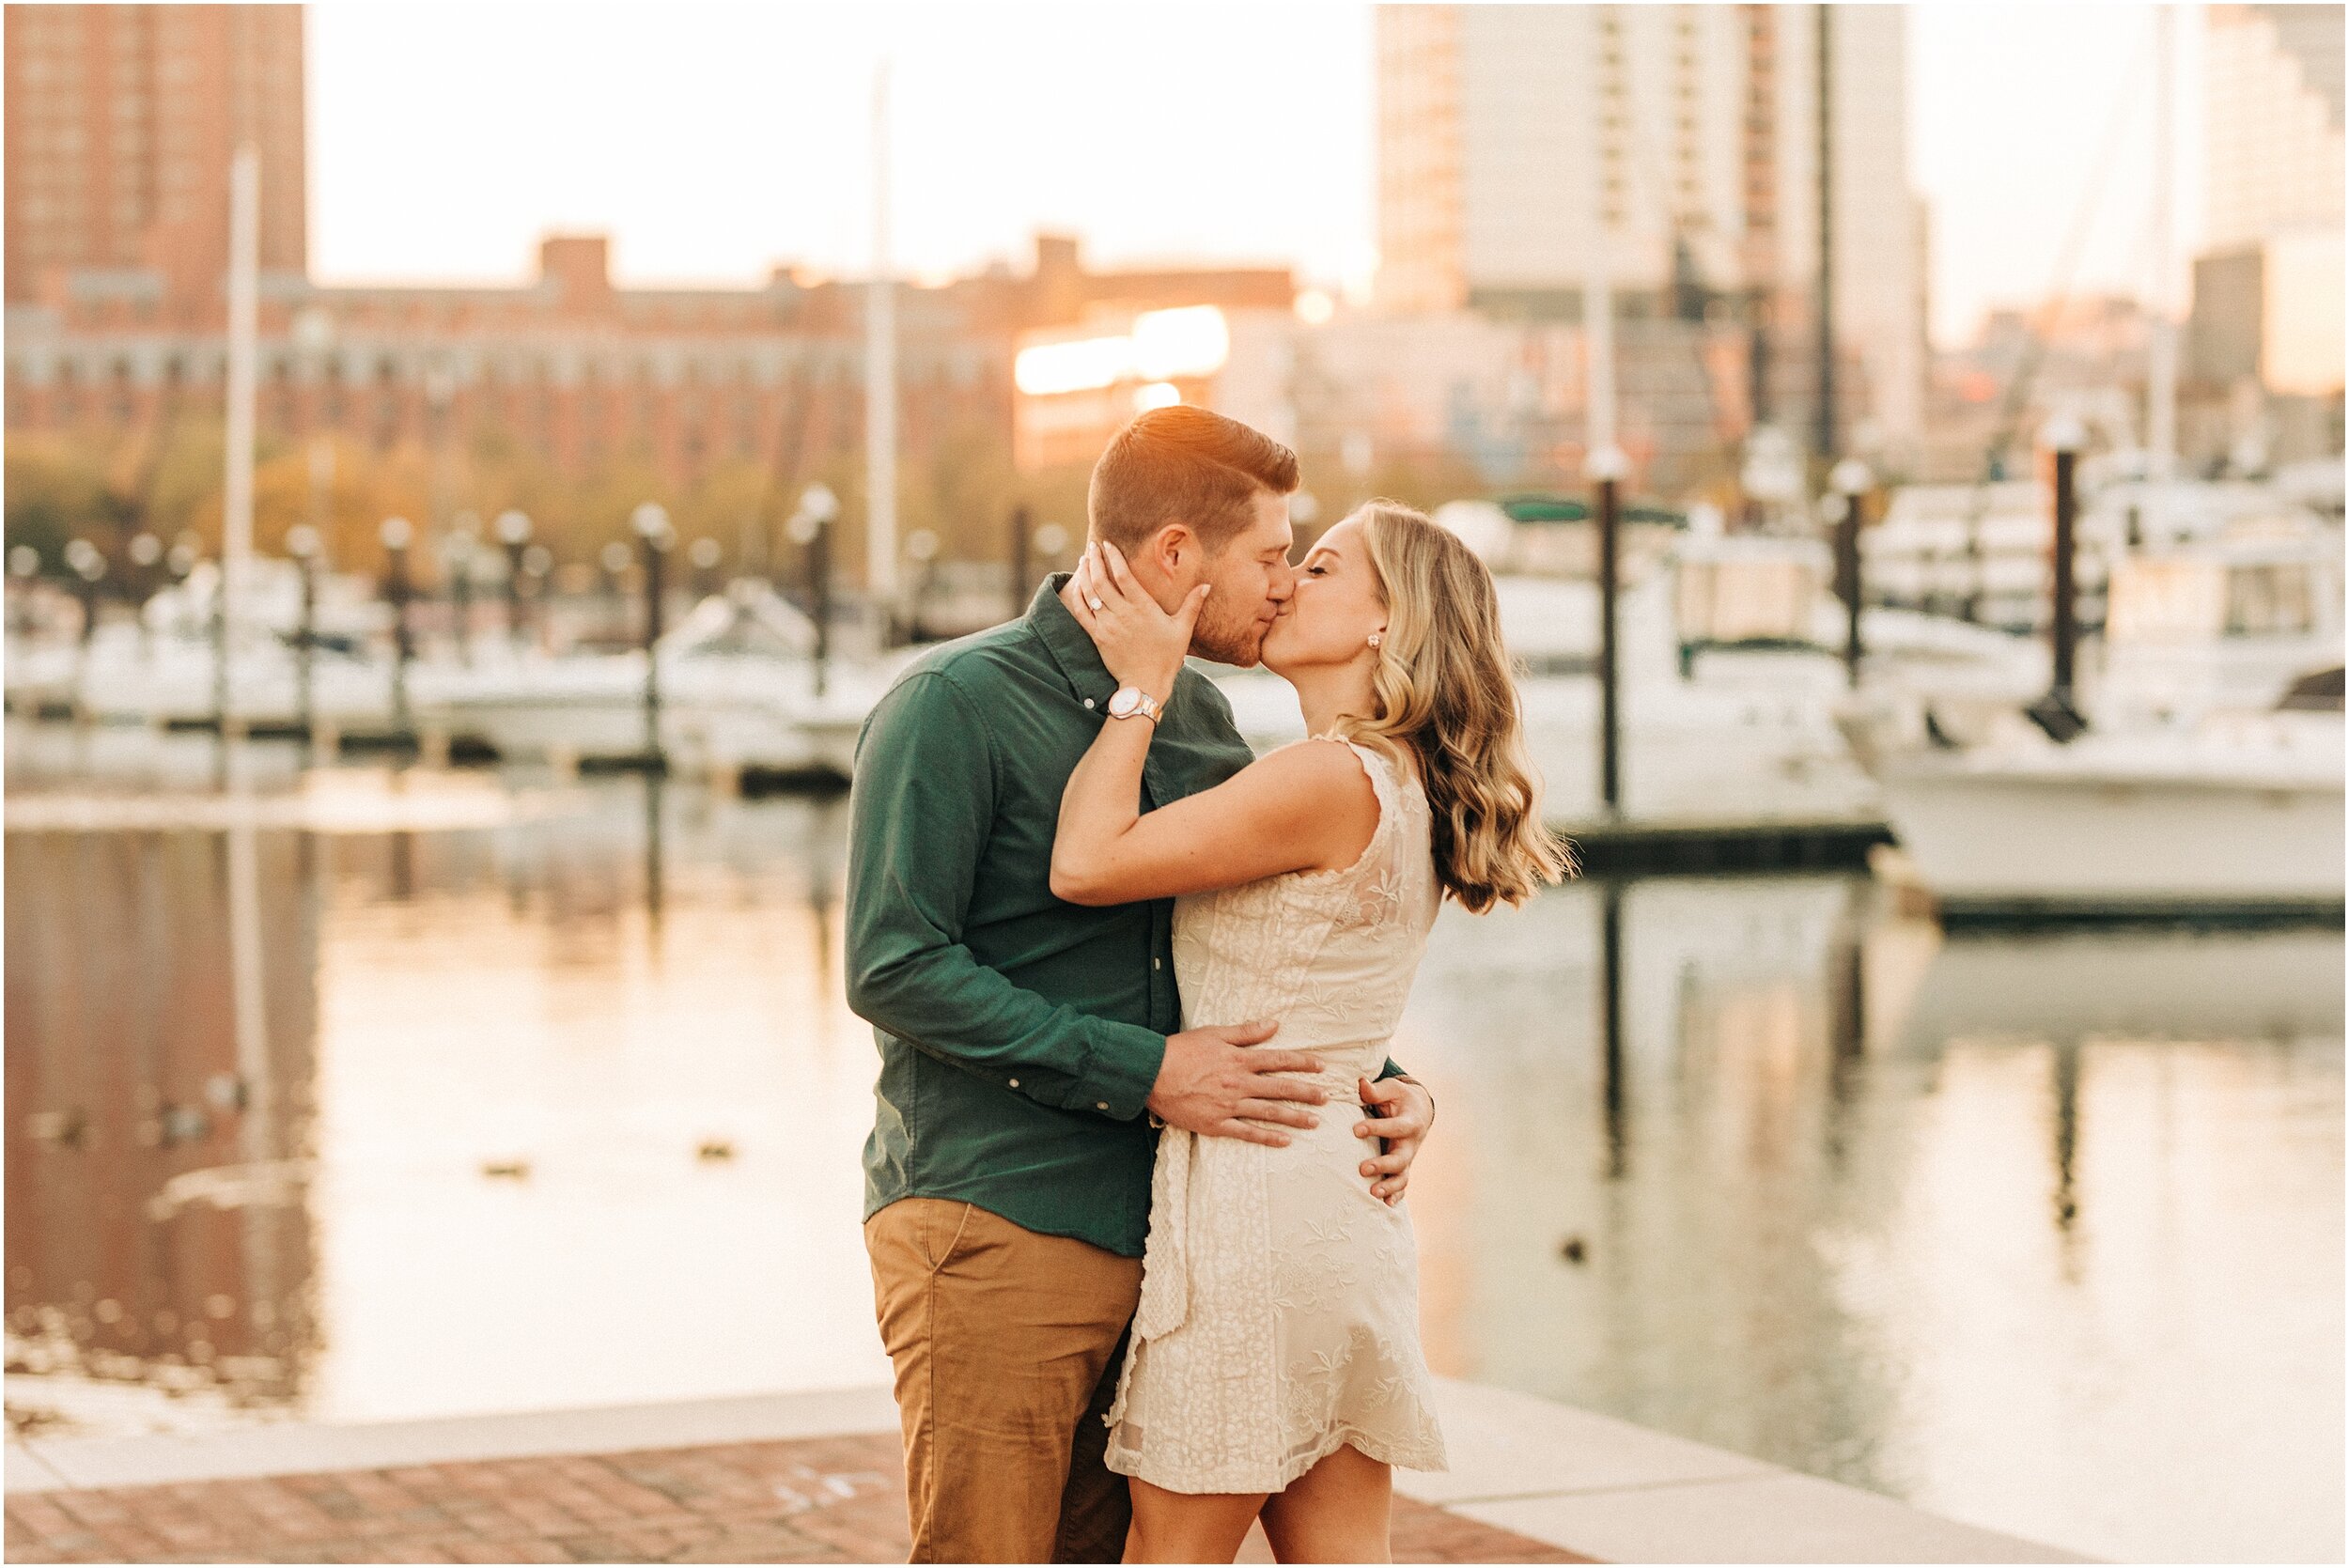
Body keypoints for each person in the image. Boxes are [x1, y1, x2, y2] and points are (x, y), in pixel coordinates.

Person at [845, 407, 1439, 1563]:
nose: (1279, 586)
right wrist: (1149, 1070)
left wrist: (1391, 1083)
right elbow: (892, 962)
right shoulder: (953, 705)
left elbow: (1256, 944)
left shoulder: (1198, 716)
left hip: (1184, 1238)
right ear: (1176, 554)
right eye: (1270, 557)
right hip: (1003, 1216)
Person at [1051, 500, 1569, 1562]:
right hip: (1337, 1199)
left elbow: (1086, 864)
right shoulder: (1402, 784)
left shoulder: (1328, 777)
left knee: (1171, 1553)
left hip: (1256, 1209)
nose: (1288, 583)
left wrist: (1139, 687)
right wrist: (1407, 1088)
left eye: (1324, 568)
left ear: (1388, 622)